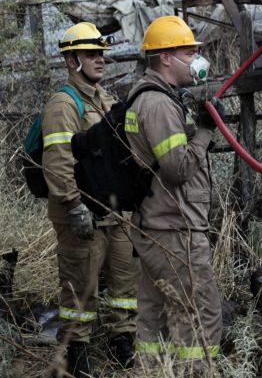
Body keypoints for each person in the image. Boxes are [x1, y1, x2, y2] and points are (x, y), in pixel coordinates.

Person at [125, 15, 225, 372]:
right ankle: (198, 372)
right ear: (165, 58)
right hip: (175, 228)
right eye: (189, 53)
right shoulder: (158, 104)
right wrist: (206, 131)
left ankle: (150, 371)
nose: (197, 60)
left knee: (154, 312)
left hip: (158, 225)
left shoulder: (157, 97)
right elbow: (177, 169)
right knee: (200, 311)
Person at [41, 22, 140, 376]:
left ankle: (122, 340)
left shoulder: (106, 99)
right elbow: (57, 162)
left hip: (114, 212)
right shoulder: (63, 104)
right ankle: (76, 350)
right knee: (79, 283)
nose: (100, 60)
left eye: (101, 54)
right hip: (81, 213)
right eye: (91, 54)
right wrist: (73, 206)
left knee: (125, 281)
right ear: (72, 61)